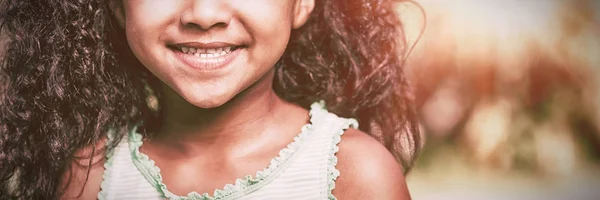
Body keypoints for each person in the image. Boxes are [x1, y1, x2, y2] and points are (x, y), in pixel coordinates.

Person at [0, 0, 421, 199]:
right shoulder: (89, 180)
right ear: (116, 6)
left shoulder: (355, 177)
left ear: (302, 3)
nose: (204, 14)